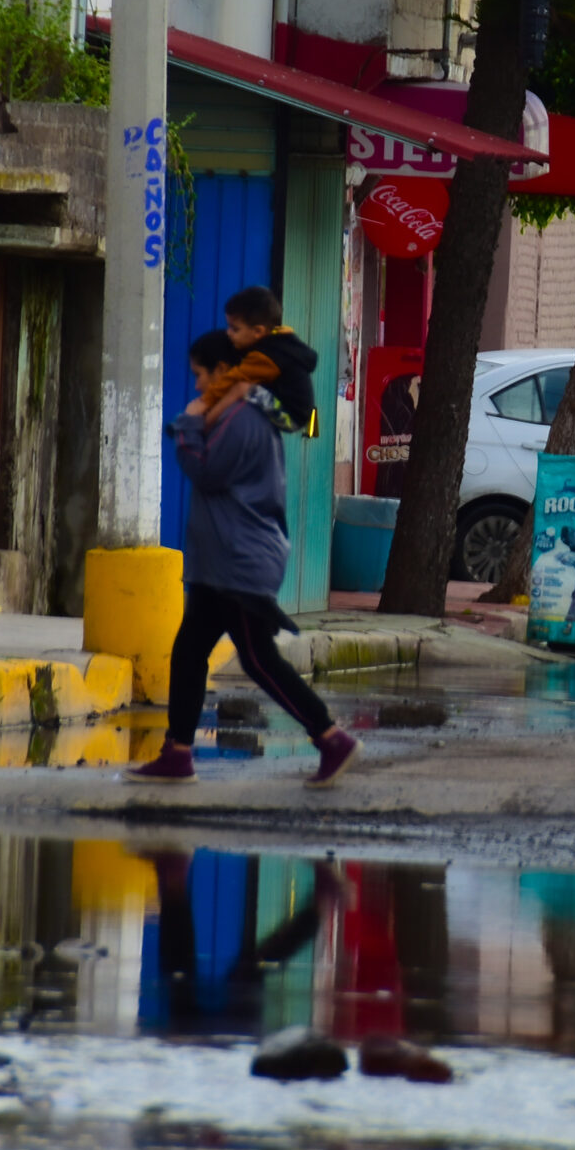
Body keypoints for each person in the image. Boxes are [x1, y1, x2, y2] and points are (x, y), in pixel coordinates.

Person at [128, 329, 359, 788]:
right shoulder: (236, 414)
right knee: (190, 652)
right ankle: (177, 754)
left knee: (257, 657)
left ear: (222, 372)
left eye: (200, 376)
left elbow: (207, 472)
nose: (197, 387)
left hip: (240, 559)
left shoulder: (242, 418)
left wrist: (190, 424)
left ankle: (330, 737)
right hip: (222, 561)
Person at [208, 285, 320, 435]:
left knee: (241, 388)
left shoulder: (267, 355)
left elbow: (233, 378)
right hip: (287, 406)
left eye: (235, 329)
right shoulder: (278, 341)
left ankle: (206, 424)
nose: (229, 333)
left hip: (292, 416)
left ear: (258, 331)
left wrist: (203, 403)